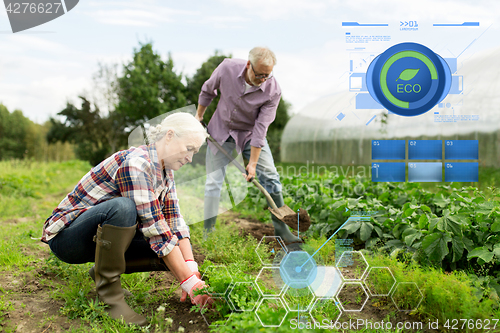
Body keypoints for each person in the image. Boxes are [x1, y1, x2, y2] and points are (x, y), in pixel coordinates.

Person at [41, 112, 213, 326]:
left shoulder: (166, 171)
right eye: (189, 149)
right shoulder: (137, 163)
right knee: (124, 208)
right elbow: (156, 230)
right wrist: (188, 282)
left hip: (98, 238)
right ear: (169, 136)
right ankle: (110, 297)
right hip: (68, 239)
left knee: (170, 249)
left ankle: (102, 271)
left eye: (194, 152)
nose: (190, 158)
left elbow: (174, 221)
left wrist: (191, 271)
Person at [195, 46, 300, 244]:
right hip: (222, 129)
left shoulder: (273, 90)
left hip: (251, 134)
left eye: (267, 76)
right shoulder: (227, 68)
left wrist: (252, 163)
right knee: (213, 182)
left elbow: (261, 128)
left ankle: (282, 230)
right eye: (259, 74)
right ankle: (208, 233)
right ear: (248, 65)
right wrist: (199, 116)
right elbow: (208, 90)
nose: (263, 79)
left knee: (270, 176)